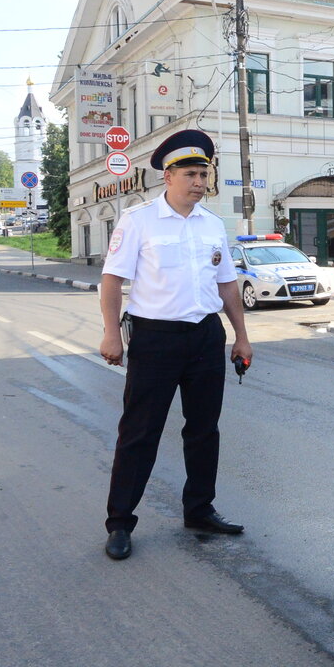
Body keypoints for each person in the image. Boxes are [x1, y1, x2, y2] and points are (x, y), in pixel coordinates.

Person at [98, 129, 253, 561]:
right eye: (191, 173)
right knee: (139, 432)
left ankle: (199, 510)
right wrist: (112, 332)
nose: (200, 181)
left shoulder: (213, 225)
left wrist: (241, 336)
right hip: (155, 339)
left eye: (204, 173)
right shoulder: (138, 220)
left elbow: (226, 284)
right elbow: (112, 280)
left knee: (204, 430)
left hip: (205, 337)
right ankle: (120, 523)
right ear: (168, 176)